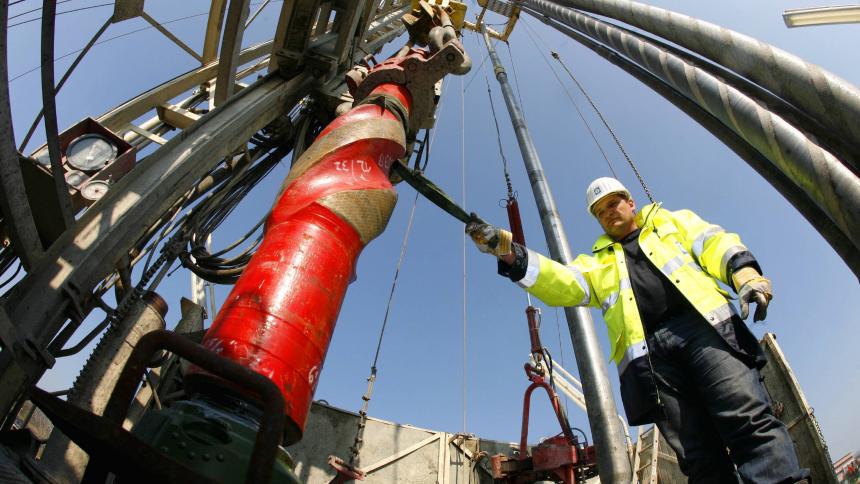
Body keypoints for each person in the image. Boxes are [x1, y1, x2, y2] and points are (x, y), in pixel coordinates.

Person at [466, 177, 809, 483]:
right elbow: (563, 281)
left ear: (630, 202)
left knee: (747, 420)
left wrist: (744, 272)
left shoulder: (671, 224)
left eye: (613, 203)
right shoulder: (597, 263)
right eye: (600, 211)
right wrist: (509, 252)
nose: (609, 212)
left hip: (705, 329)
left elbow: (713, 242)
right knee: (698, 458)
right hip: (651, 360)